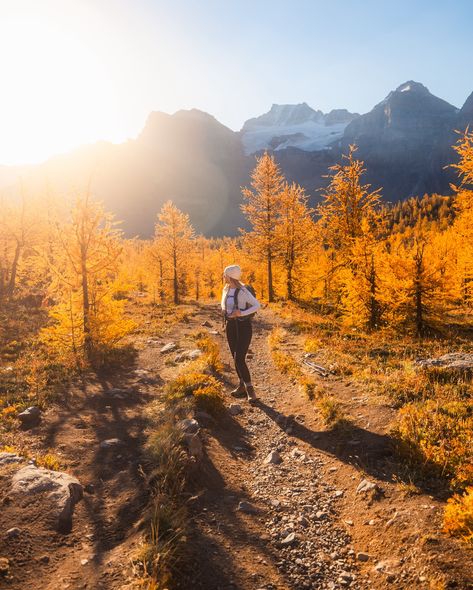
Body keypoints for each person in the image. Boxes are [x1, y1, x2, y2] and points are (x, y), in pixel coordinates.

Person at [221, 264, 260, 403]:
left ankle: (251, 391)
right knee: (234, 357)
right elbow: (222, 304)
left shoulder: (243, 291)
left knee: (239, 358)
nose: (223, 276)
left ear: (230, 276)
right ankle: (241, 385)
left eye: (225, 274)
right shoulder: (225, 289)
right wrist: (226, 311)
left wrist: (241, 312)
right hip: (231, 326)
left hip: (243, 327)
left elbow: (257, 305)